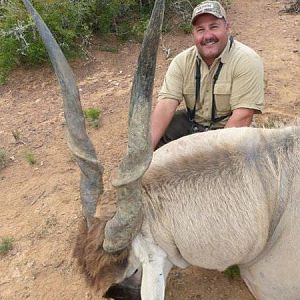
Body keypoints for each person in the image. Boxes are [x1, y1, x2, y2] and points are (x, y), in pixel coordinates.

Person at [151, 0, 264, 150]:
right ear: (194, 34)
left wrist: (209, 157)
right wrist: (144, 153)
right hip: (194, 124)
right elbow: (165, 106)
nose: (207, 35)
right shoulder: (181, 61)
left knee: (243, 155)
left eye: (214, 27)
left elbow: (243, 116)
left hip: (228, 129)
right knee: (154, 135)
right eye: (200, 29)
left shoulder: (247, 60)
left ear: (227, 27)